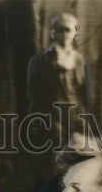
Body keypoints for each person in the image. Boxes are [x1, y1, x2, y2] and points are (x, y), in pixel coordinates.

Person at [26, 13, 92, 146]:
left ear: (75, 33)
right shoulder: (43, 60)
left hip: (76, 119)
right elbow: (36, 95)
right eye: (60, 30)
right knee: (57, 152)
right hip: (53, 120)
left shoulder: (80, 61)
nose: (64, 35)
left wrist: (84, 119)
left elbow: (84, 94)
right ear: (54, 33)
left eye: (68, 30)